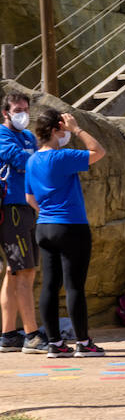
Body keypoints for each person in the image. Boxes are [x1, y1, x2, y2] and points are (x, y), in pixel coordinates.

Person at [24, 108, 107, 358]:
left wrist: (48, 213)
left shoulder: (31, 160)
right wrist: (78, 129)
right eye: (63, 129)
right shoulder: (61, 157)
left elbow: (29, 198)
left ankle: (54, 344)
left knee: (49, 286)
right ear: (54, 130)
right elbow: (98, 152)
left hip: (45, 227)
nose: (66, 134)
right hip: (71, 226)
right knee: (74, 287)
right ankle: (83, 342)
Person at [0, 91, 44, 352]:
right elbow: (21, 160)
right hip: (12, 208)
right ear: (6, 112)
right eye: (17, 109)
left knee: (13, 272)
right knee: (25, 270)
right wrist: (41, 162)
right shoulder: (2, 135)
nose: (22, 114)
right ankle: (32, 335)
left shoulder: (27, 136)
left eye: (25, 109)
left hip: (28, 207)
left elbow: (33, 163)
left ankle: (8, 334)